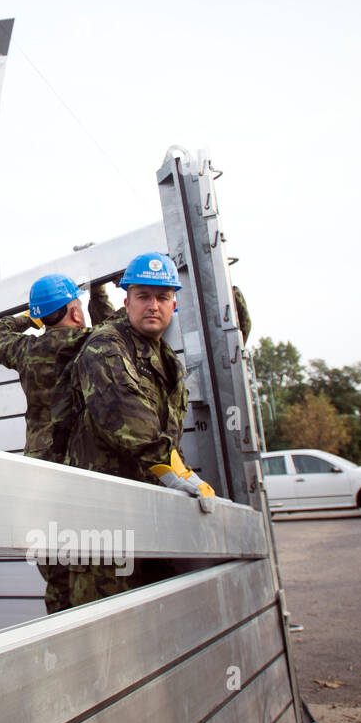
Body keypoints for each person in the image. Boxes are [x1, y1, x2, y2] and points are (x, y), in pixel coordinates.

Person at [59, 253, 214, 606]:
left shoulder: (167, 360)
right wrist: (175, 470)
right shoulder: (106, 346)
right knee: (103, 628)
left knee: (155, 621)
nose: (153, 306)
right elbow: (125, 415)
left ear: (174, 304)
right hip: (103, 524)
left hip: (151, 514)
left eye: (162, 297)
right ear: (126, 302)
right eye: (143, 296)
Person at [0, 274, 114, 612]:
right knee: (94, 561)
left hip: (39, 473)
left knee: (56, 568)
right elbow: (114, 324)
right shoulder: (90, 343)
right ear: (75, 313)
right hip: (81, 468)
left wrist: (30, 317)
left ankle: (61, 626)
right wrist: (99, 290)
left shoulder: (28, 350)